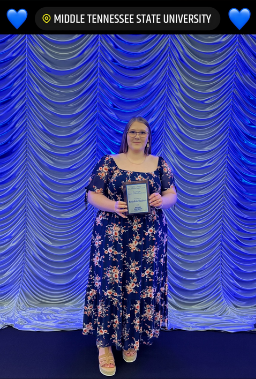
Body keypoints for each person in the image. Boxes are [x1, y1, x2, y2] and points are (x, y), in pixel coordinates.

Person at [82, 116, 177, 376]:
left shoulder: (160, 163)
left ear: (149, 136)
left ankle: (130, 339)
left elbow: (172, 194)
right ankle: (104, 346)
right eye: (133, 132)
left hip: (148, 238)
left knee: (139, 285)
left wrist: (161, 199)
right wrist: (113, 205)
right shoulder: (108, 162)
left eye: (142, 132)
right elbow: (92, 194)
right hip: (112, 235)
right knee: (109, 286)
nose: (137, 136)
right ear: (126, 135)